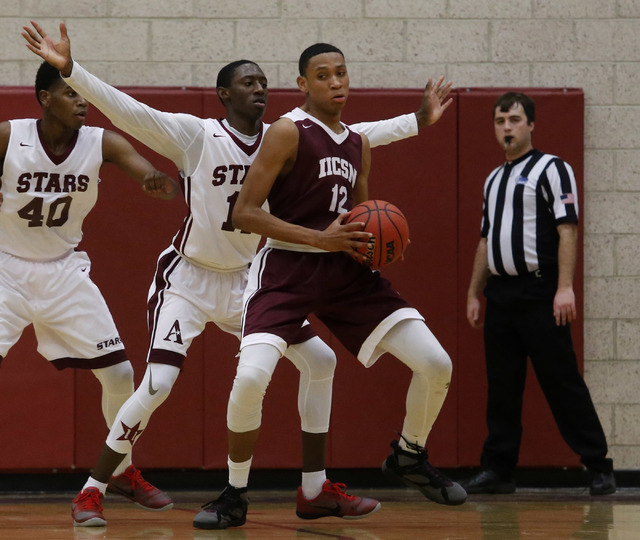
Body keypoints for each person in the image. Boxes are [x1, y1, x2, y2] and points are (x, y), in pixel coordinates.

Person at [22, 21, 455, 528]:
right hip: (188, 279)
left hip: (247, 282)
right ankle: (94, 489)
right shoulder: (196, 135)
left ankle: (314, 489)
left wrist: (418, 120)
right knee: (159, 384)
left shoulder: (284, 138)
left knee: (320, 361)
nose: (259, 89)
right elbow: (129, 111)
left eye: (263, 81)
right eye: (247, 82)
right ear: (225, 94)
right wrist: (72, 69)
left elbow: (359, 136)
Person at [192, 42, 467, 530]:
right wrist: (321, 237)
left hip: (345, 275)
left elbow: (361, 217)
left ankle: (408, 454)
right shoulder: (286, 132)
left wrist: (378, 243)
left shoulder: (357, 143)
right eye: (323, 75)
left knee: (436, 363)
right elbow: (245, 213)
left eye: (341, 73)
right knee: (252, 378)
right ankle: (234, 493)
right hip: (286, 271)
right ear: (303, 85)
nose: (335, 82)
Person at [0, 60, 179, 526]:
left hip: (65, 273)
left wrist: (151, 179)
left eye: (84, 93)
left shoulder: (103, 142)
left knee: (120, 374)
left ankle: (120, 471)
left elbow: (142, 168)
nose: (83, 101)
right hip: (6, 271)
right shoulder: (9, 137)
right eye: (71, 93)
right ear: (44, 98)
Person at [460, 92, 615, 496]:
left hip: (541, 291)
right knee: (503, 387)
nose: (506, 127)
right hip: (502, 296)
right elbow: (485, 239)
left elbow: (568, 229)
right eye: (500, 121)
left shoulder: (553, 169)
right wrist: (475, 292)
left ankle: (599, 465)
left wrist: (564, 288)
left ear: (530, 124)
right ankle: (498, 469)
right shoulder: (493, 179)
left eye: (514, 119)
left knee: (562, 382)